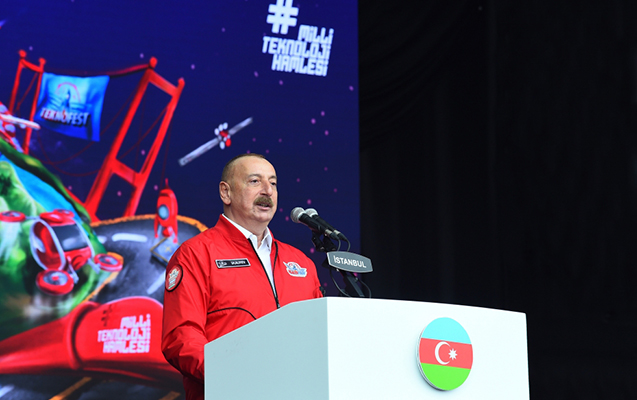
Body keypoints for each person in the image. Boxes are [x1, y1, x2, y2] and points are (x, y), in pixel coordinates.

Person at [161, 153, 323, 400]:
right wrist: (236, 376)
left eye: (273, 183)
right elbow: (181, 337)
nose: (267, 190)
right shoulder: (195, 254)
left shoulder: (301, 263)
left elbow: (319, 336)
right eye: (254, 181)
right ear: (225, 193)